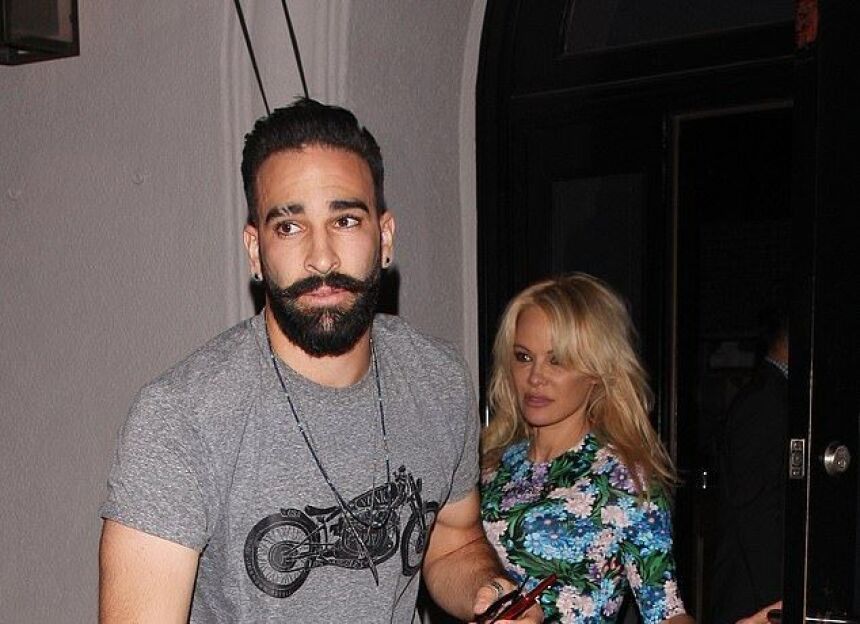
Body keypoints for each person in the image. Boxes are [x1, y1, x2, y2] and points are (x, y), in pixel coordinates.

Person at [99, 98, 541, 623]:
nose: (322, 257)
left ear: (385, 237)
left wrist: (490, 593)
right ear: (255, 250)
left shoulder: (438, 378)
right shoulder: (181, 417)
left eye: (345, 220)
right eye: (289, 227)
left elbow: (453, 540)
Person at [480, 273, 692, 624]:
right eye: (523, 356)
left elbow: (666, 612)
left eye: (557, 360)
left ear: (596, 370)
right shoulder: (491, 465)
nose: (535, 377)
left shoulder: (624, 479)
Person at [710, 309, 788, 624]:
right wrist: (777, 605)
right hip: (753, 597)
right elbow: (757, 510)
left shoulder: (772, 394)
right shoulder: (766, 400)